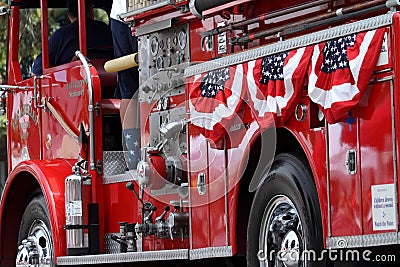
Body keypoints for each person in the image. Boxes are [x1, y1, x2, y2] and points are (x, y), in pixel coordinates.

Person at [32, 0, 113, 75]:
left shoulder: (61, 36)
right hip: (115, 85)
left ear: (69, 14)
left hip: (74, 87)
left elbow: (38, 70)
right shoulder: (109, 31)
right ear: (91, 10)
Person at [110, 0, 140, 171]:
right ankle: (135, 155)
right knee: (131, 87)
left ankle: (135, 156)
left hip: (136, 14)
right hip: (130, 15)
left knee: (131, 86)